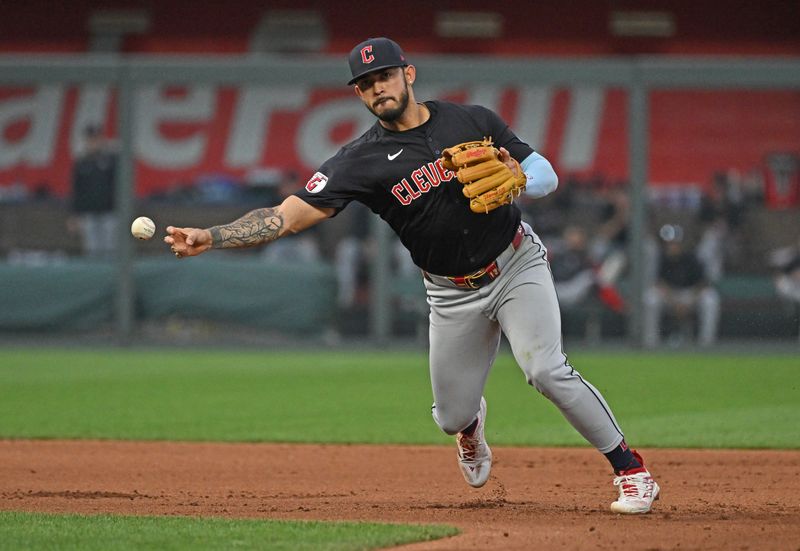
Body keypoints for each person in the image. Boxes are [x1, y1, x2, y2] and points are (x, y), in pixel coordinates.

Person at [164, 37, 660, 514]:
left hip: (515, 264)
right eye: (366, 83)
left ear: (409, 74)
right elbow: (288, 216)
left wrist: (520, 179)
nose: (378, 88)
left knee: (545, 369)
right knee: (449, 417)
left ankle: (630, 470)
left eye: (385, 75)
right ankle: (470, 426)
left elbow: (546, 173)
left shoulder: (470, 119)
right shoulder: (358, 161)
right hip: (449, 294)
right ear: (358, 95)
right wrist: (214, 237)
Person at [643, 225, 721, 347]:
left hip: (689, 295)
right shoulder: (661, 258)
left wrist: (688, 303)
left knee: (710, 298)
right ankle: (651, 341)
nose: (671, 246)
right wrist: (675, 303)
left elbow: (702, 283)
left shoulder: (691, 258)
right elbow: (658, 283)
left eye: (674, 243)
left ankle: (706, 342)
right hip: (669, 296)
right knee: (650, 298)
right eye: (669, 243)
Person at [68, 125, 118, 258]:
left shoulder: (111, 160)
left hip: (110, 212)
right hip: (88, 213)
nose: (93, 143)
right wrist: (74, 214)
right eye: (91, 140)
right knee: (91, 250)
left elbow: (119, 187)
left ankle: (112, 278)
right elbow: (76, 190)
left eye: (96, 139)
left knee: (110, 250)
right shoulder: (82, 162)